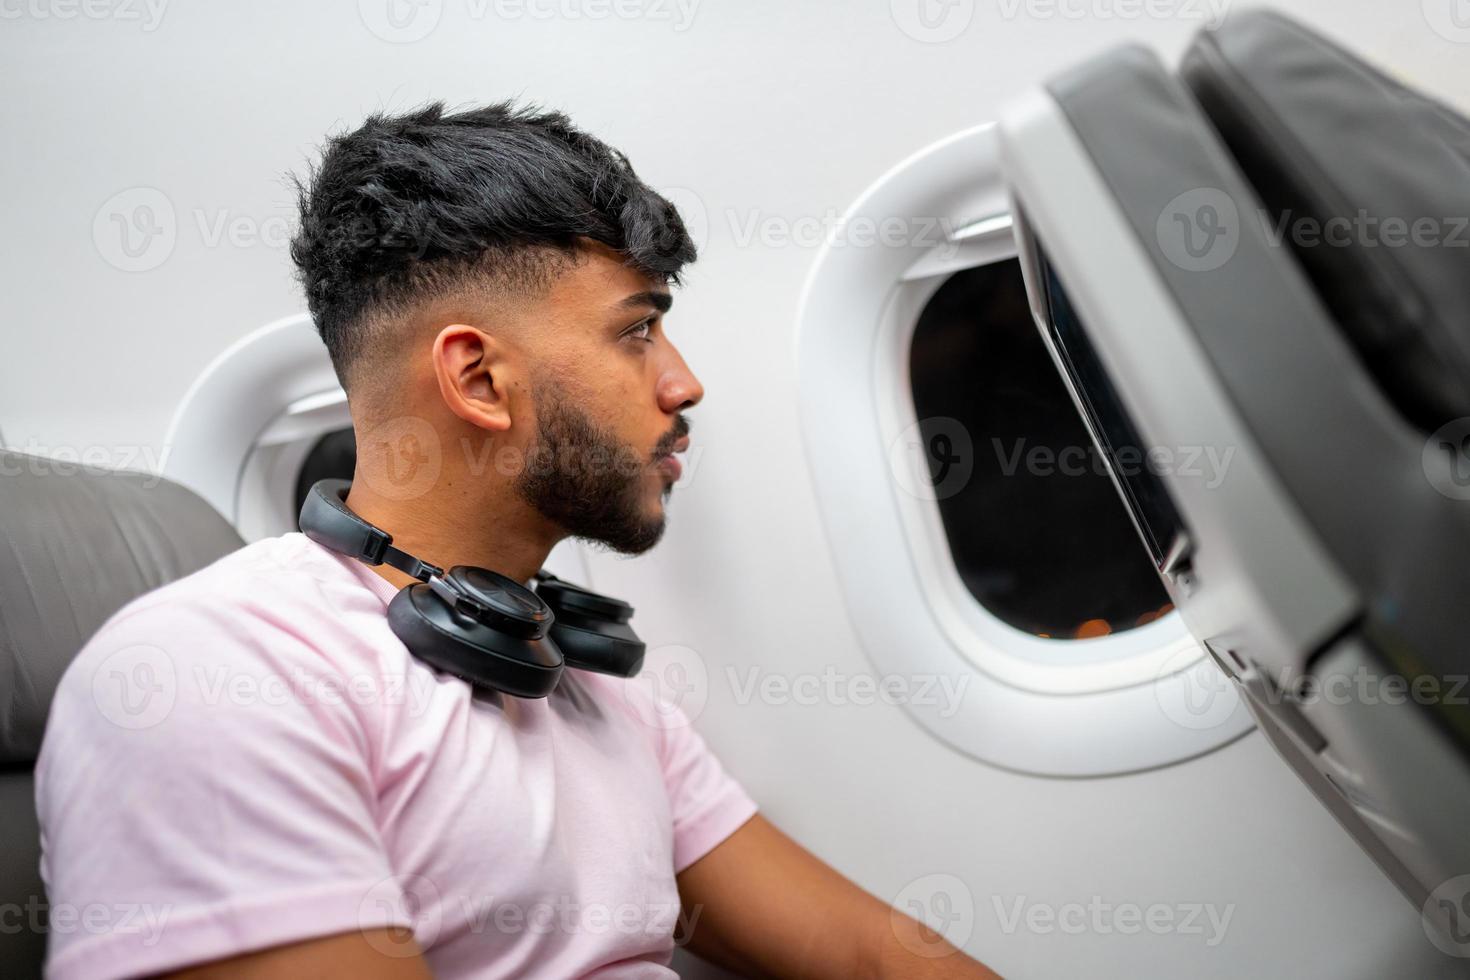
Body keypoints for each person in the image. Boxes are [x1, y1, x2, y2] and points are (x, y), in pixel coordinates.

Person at [35, 101, 1001, 979]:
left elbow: (872, 957)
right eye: (637, 334)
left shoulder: (581, 683)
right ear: (480, 380)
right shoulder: (218, 679)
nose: (684, 383)